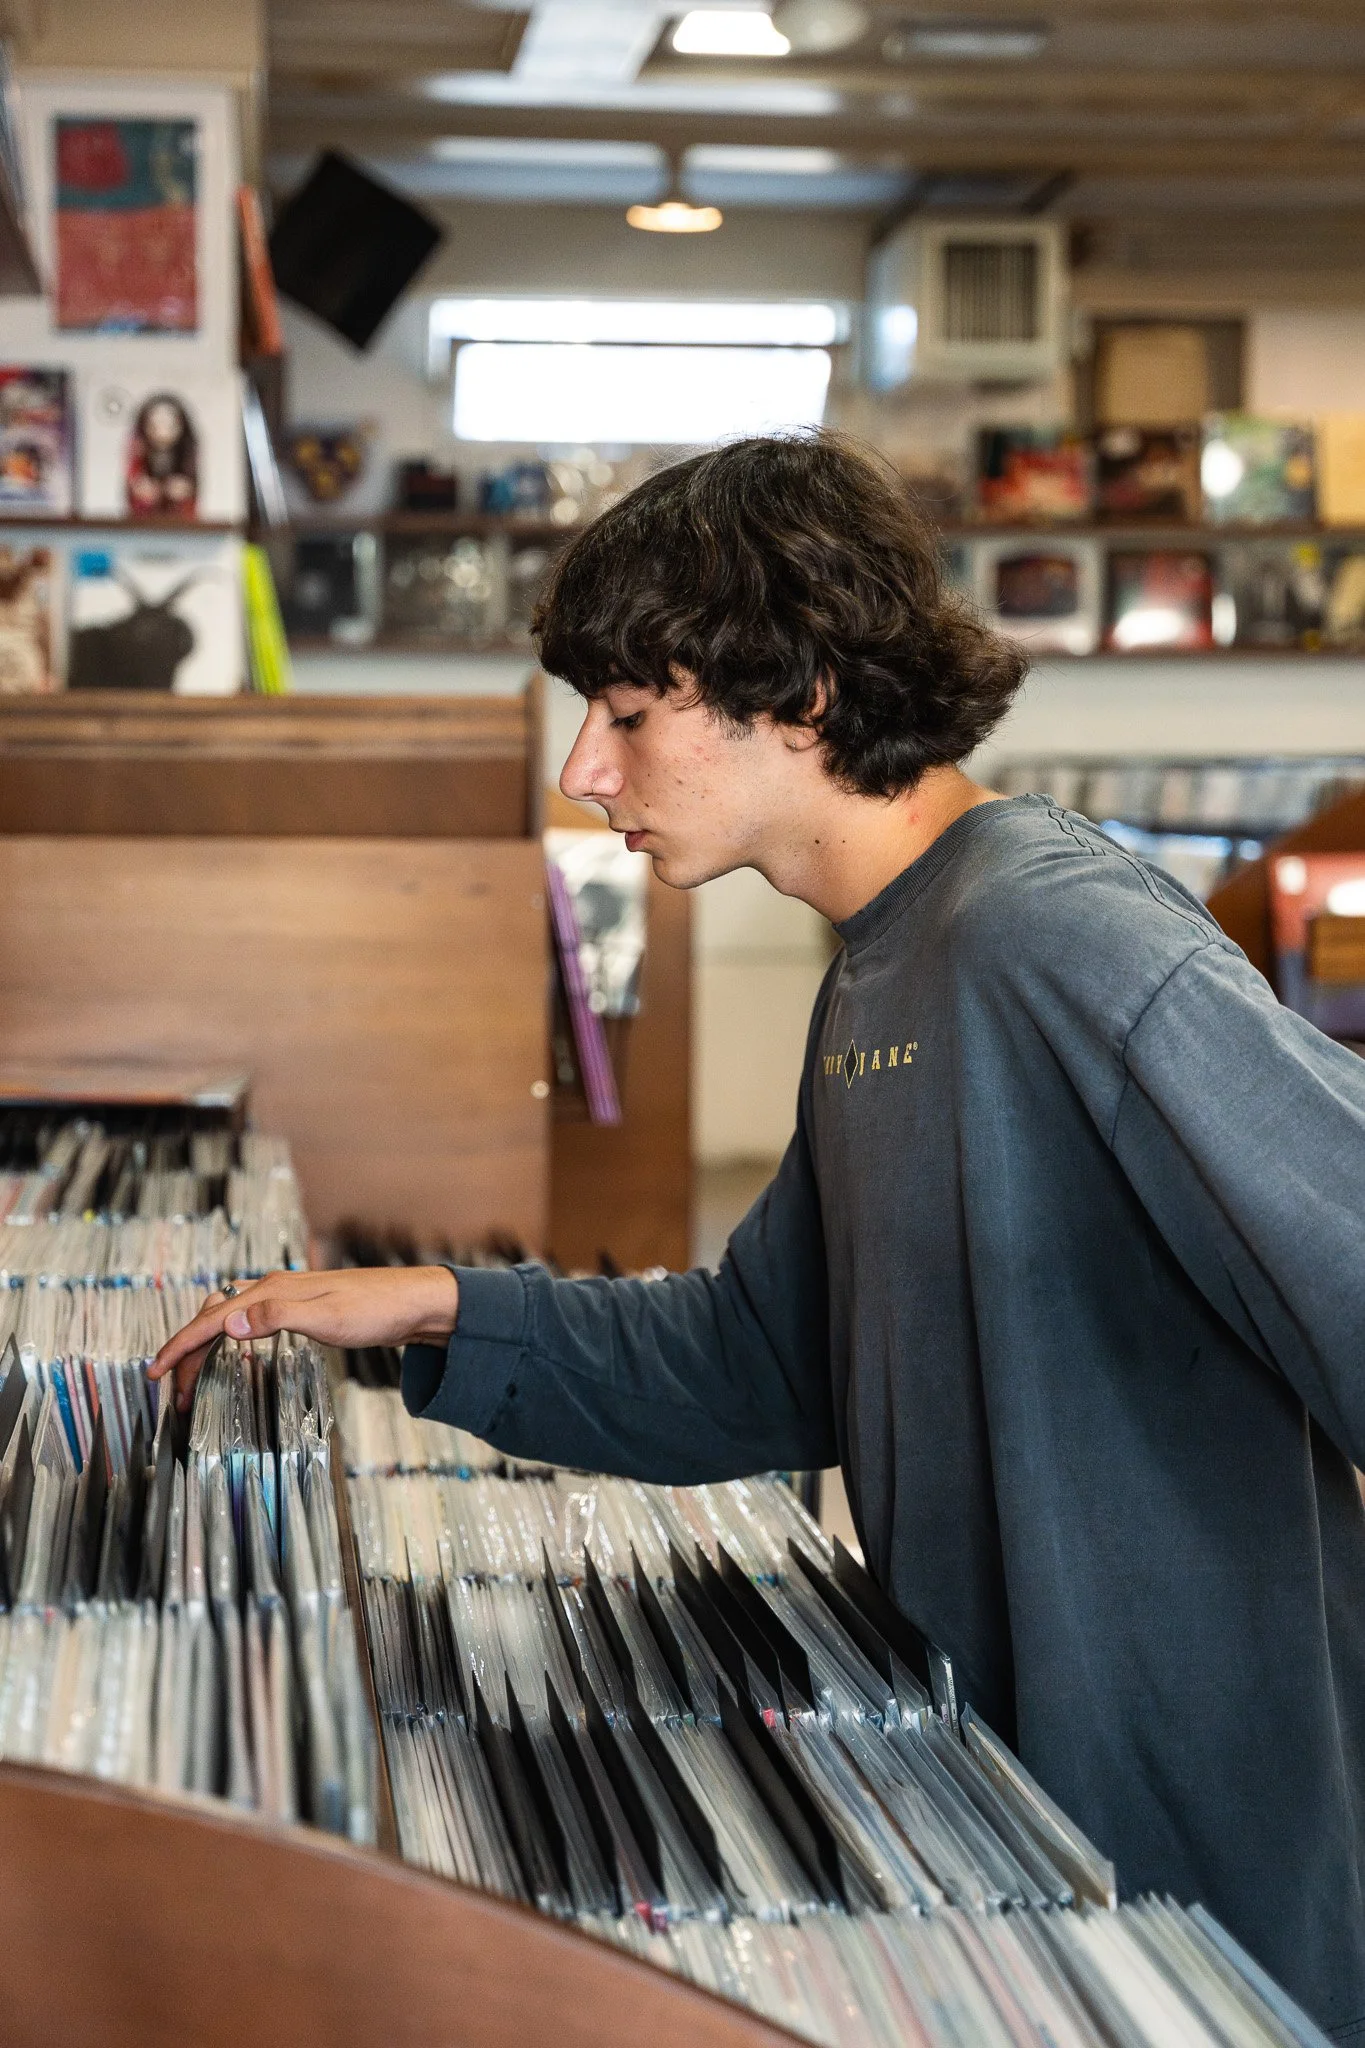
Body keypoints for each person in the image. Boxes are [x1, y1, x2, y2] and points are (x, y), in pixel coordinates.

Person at [152, 431, 1365, 2035]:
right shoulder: (886, 954)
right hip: (1021, 1831)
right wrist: (433, 1308)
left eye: (630, 714)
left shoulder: (1050, 933)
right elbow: (763, 1360)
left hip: (1205, 1888)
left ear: (795, 697)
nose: (586, 769)